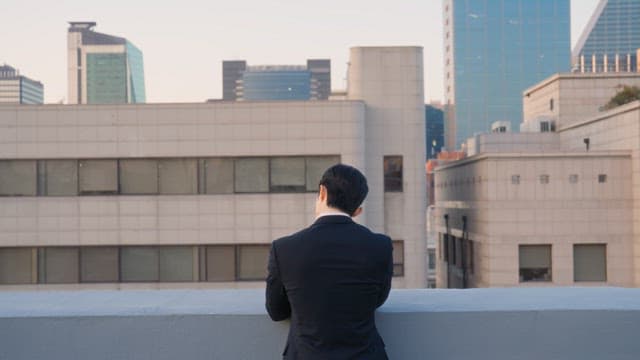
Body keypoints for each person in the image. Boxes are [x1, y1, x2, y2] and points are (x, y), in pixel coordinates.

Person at [266, 164, 393, 359]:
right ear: (357, 210)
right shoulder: (380, 246)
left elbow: (276, 311)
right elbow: (378, 299)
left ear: (322, 192)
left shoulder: (284, 249)